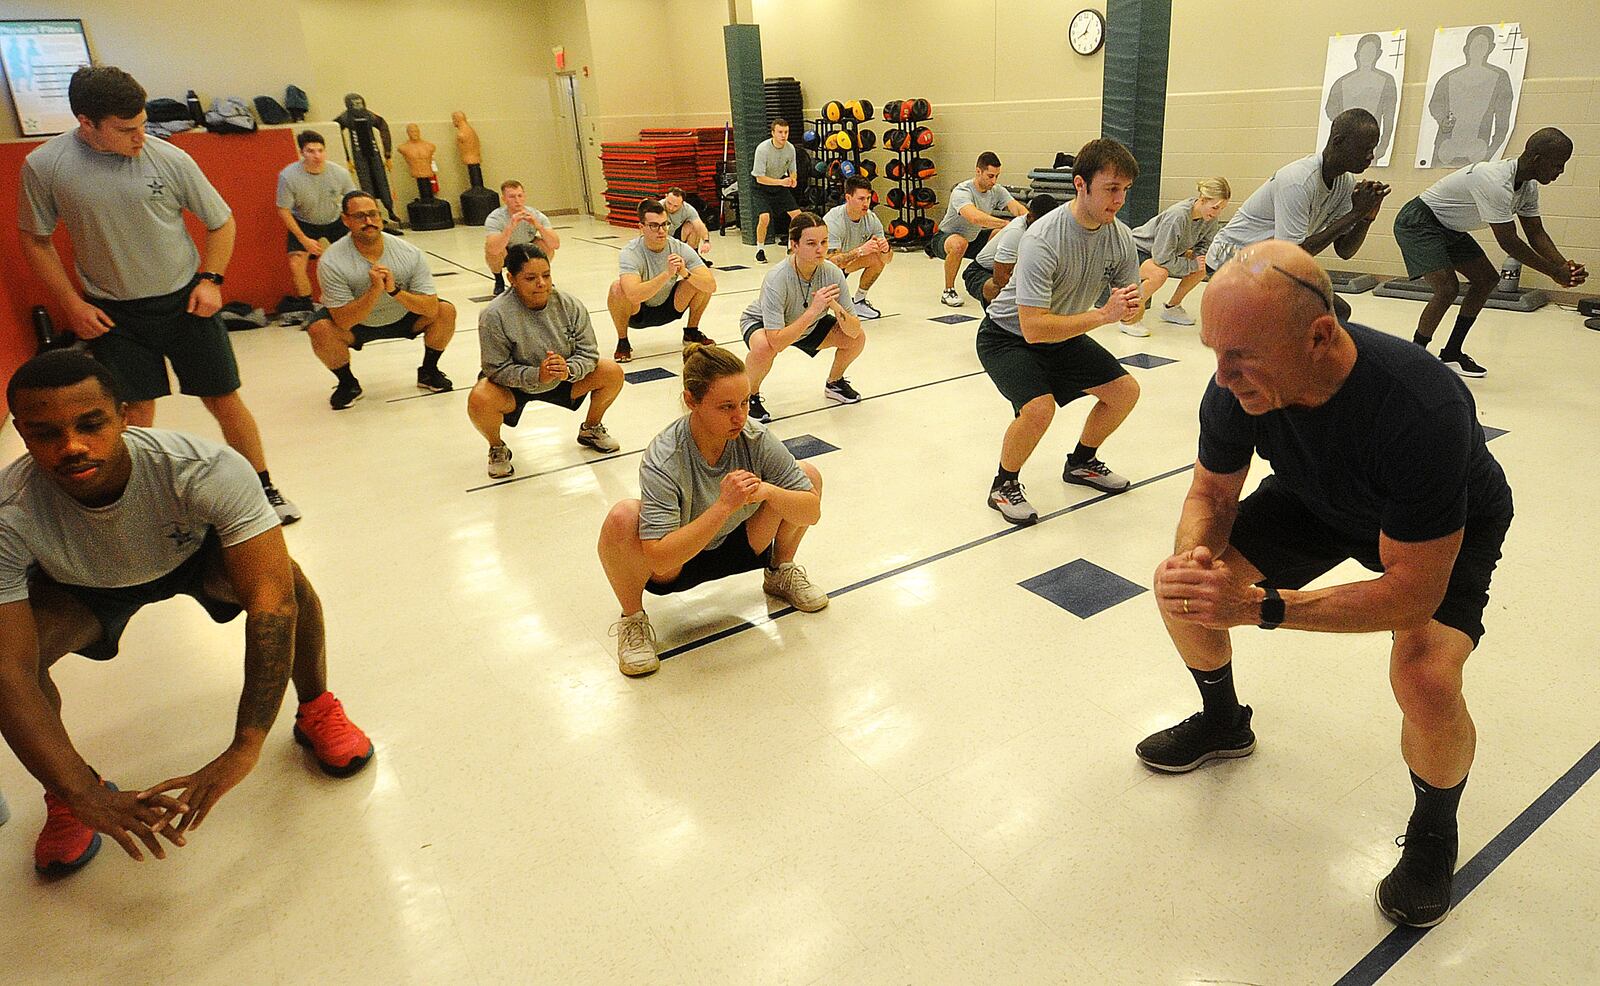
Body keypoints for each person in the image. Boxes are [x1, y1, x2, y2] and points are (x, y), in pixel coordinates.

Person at [1138, 240, 1514, 930]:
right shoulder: (1236, 382)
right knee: (1186, 589)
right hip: (1318, 500)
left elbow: (1409, 593)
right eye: (1212, 353)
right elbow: (1211, 494)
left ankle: (1434, 831)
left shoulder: (1420, 407)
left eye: (1240, 356)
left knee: (1426, 676)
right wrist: (1195, 563)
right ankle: (1224, 723)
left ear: (1320, 334)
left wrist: (1258, 609)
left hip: (1445, 527)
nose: (1222, 377)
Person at [0, 351, 374, 877]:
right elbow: (9, 672)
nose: (73, 447)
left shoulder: (203, 469)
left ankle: (316, 709)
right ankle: (66, 798)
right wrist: (79, 791)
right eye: (45, 433)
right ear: (19, 431)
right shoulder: (9, 511)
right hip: (82, 587)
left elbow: (272, 604)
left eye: (91, 424)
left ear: (125, 415)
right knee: (19, 660)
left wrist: (246, 744)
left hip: (191, 558)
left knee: (289, 584)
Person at [16, 65, 300, 524]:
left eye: (143, 123)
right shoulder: (46, 166)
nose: (140, 137)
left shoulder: (169, 159)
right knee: (131, 414)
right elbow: (35, 239)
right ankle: (133, 505)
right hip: (113, 315)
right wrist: (72, 304)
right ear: (87, 124)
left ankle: (264, 488)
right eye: (126, 129)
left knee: (225, 399)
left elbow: (221, 222)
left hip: (186, 302)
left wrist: (212, 280)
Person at [597, 344, 827, 677]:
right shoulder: (665, 456)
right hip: (679, 561)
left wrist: (767, 491)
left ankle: (780, 572)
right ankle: (632, 620)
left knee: (806, 477)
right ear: (692, 401)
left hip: (745, 544)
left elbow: (812, 513)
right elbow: (660, 559)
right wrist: (723, 507)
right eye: (726, 407)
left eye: (745, 402)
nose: (740, 416)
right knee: (622, 517)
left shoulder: (755, 438)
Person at [977, 139, 1144, 526]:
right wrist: (1105, 315)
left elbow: (1130, 313)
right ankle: (1004, 485)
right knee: (1039, 408)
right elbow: (1034, 329)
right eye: (1111, 188)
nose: (1119, 200)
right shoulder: (1042, 238)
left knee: (1124, 392)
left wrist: (1133, 308)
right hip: (1007, 336)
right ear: (1081, 185)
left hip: (1063, 331)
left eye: (1125, 190)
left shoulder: (1119, 237)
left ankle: (1082, 463)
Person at [1396, 128, 1587, 377]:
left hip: (1449, 227)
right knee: (1447, 288)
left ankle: (1452, 352)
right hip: (1420, 221)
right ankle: (1415, 357)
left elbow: (1536, 233)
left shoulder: (1528, 187)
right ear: (1537, 160)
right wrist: (1554, 273)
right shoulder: (1496, 181)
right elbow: (1509, 242)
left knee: (1486, 280)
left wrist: (1565, 267)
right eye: (1558, 165)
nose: (1560, 172)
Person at [1206, 109, 1389, 322]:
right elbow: (1292, 255)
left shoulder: (1344, 184)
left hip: (1270, 265)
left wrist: (1365, 217)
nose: (1371, 156)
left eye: (1373, 149)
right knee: (1288, 323)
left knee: (1338, 313)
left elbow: (1345, 251)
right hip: (1230, 260)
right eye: (1364, 149)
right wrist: (1355, 213)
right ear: (1338, 142)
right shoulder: (1298, 181)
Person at [470, 243, 624, 478]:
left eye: (546, 275)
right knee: (480, 397)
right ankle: (497, 446)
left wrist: (569, 370)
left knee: (611, 372)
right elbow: (495, 368)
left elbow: (589, 353)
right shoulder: (494, 315)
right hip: (515, 387)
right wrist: (536, 375)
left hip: (563, 379)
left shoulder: (570, 305)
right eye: (530, 277)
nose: (541, 283)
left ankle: (591, 429)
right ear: (511, 278)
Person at [304, 191, 456, 409]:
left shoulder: (409, 253)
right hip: (358, 324)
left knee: (445, 311)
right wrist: (375, 291)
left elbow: (430, 308)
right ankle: (347, 384)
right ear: (346, 220)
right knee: (319, 329)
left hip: (403, 316)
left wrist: (394, 291)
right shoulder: (331, 261)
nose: (368, 221)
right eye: (359, 216)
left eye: (373, 214)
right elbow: (344, 321)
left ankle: (429, 372)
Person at [740, 212, 866, 423]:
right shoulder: (777, 278)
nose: (820, 249)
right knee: (764, 347)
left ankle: (834, 383)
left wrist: (834, 306)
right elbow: (777, 342)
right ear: (794, 245)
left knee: (857, 338)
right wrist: (813, 310)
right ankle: (748, 397)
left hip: (809, 323)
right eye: (811, 243)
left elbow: (853, 330)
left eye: (824, 242)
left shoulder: (833, 273)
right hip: (764, 324)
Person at [605, 198, 717, 363]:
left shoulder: (678, 247)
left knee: (698, 281)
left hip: (670, 306)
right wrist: (666, 274)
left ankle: (691, 331)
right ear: (641, 228)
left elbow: (711, 286)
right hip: (638, 311)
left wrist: (685, 273)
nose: (661, 231)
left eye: (664, 224)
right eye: (654, 226)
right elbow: (633, 295)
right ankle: (623, 341)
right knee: (617, 288)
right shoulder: (631, 252)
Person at [1126, 178, 1231, 336]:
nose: (1217, 213)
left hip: (1162, 253)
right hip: (1136, 251)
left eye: (1221, 209)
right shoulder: (1178, 215)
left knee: (1203, 266)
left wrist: (1198, 257)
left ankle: (1172, 307)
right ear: (1202, 200)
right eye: (1215, 207)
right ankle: (1129, 317)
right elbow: (1161, 257)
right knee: (1159, 274)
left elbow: (1205, 246)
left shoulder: (1210, 218)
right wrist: (1191, 265)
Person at [929, 152, 1028, 308]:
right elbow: (974, 217)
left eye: (997, 176)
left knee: (1003, 235)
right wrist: (1006, 224)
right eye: (990, 176)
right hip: (945, 238)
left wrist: (1032, 222)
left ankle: (1000, 283)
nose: (994, 181)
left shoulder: (997, 190)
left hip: (973, 238)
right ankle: (948, 291)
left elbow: (1016, 208)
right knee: (959, 244)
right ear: (978, 171)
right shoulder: (962, 191)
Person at [275, 129, 356, 312]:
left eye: (320, 150)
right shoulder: (288, 176)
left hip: (334, 220)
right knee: (296, 263)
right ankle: (307, 306)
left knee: (353, 258)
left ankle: (356, 297)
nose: (317, 155)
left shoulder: (339, 173)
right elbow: (283, 210)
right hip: (304, 222)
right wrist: (303, 239)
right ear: (302, 153)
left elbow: (353, 200)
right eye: (311, 151)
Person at [1428, 26, 1516, 168]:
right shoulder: (1449, 78)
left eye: (1483, 45)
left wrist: (1490, 153)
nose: (1478, 50)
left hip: (1478, 151)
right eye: (1474, 45)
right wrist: (1442, 120)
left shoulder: (1500, 78)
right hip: (1446, 149)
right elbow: (1435, 105)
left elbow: (1502, 124)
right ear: (1466, 48)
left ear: (1491, 48)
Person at [963, 193, 1063, 308]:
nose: (1045, 227)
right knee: (1001, 291)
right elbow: (1000, 278)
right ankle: (995, 319)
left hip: (1013, 270)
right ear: (1030, 217)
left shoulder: (1052, 227)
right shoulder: (1016, 232)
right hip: (982, 272)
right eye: (1041, 223)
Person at [822, 176, 893, 319]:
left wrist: (886, 249)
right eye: (861, 199)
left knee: (877, 257)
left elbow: (887, 260)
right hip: (824, 272)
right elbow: (831, 262)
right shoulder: (834, 220)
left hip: (845, 265)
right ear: (848, 198)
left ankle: (859, 301)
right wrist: (860, 251)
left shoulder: (871, 219)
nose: (866, 203)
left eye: (868, 198)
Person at [1325, 34, 1398, 163]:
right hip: (1344, 144)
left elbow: (1389, 118)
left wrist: (1383, 145)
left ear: (1378, 54)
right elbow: (1330, 109)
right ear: (1357, 54)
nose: (1367, 56)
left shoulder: (1386, 81)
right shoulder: (1342, 82)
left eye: (1371, 52)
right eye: (1364, 51)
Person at [484, 180, 561, 295]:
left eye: (520, 196)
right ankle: (498, 279)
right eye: (512, 197)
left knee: (546, 245)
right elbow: (493, 248)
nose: (517, 200)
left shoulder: (535, 214)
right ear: (504, 199)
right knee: (490, 250)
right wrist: (510, 227)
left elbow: (555, 244)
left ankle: (541, 275)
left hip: (527, 247)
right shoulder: (495, 218)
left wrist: (538, 226)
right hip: (507, 249)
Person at [750, 119, 800, 263]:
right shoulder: (762, 149)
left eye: (786, 132)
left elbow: (793, 170)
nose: (783, 135)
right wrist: (781, 182)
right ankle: (760, 249)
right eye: (780, 132)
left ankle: (792, 247)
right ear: (773, 133)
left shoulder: (790, 149)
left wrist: (793, 179)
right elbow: (759, 178)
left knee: (797, 215)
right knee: (764, 217)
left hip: (780, 184)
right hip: (762, 187)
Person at [663, 187, 712, 260]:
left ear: (682, 203)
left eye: (676, 206)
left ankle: (693, 256)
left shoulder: (688, 209)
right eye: (669, 203)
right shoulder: (658, 207)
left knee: (693, 225)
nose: (671, 208)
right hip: (662, 235)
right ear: (665, 196)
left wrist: (706, 241)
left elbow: (699, 225)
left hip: (677, 234)